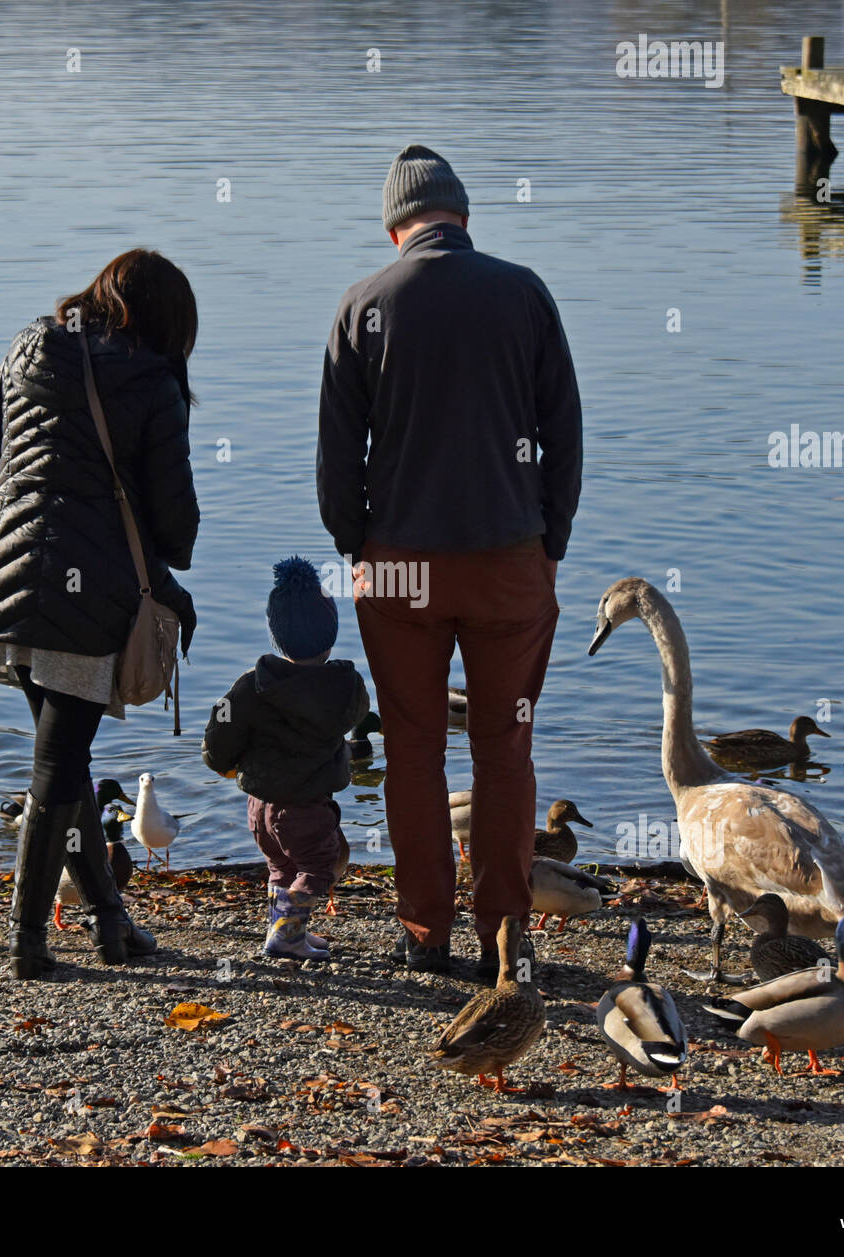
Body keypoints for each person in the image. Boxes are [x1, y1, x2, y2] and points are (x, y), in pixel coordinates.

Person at [316, 144, 583, 980]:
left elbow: (336, 455)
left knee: (413, 749)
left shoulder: (364, 302)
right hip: (510, 558)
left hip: (401, 565)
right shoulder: (525, 292)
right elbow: (565, 431)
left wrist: (353, 544)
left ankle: (425, 932)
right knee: (506, 751)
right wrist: (552, 538)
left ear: (395, 225)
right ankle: (506, 933)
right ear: (461, 216)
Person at [0, 248, 200, 980]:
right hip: (86, 595)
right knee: (58, 761)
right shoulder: (154, 378)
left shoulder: (33, 342)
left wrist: (31, 494)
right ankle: (26, 942)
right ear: (169, 323)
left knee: (64, 762)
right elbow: (175, 526)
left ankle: (110, 923)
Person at [201, 557, 369, 961]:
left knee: (282, 869)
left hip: (259, 807)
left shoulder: (250, 687)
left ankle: (286, 931)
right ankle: (287, 935)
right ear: (330, 635)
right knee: (317, 870)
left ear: (276, 635)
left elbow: (217, 742)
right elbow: (359, 714)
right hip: (306, 808)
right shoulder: (344, 686)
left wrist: (225, 763)